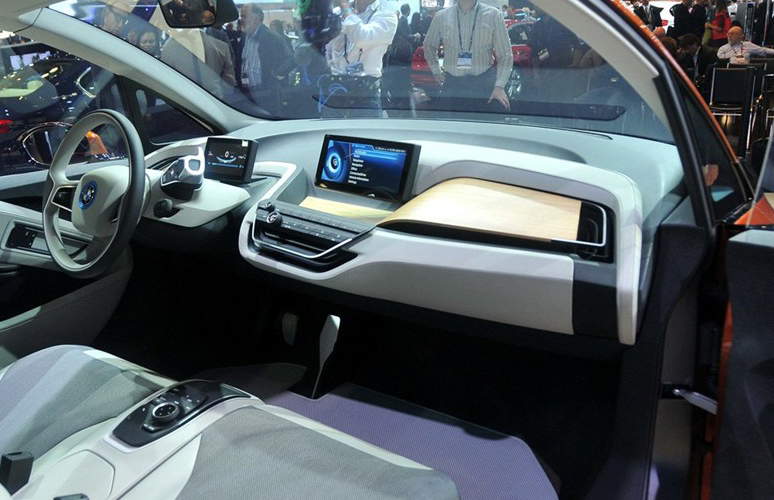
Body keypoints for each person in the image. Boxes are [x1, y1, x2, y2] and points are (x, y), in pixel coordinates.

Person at [423, 0, 512, 110]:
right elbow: (428, 46)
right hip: (453, 85)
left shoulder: (493, 15)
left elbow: (505, 54)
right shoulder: (441, 16)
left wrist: (500, 86)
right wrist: (436, 71)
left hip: (484, 84)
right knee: (448, 120)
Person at [323, 0, 397, 117]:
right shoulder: (337, 12)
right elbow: (327, 46)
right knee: (330, 129)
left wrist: (345, 8)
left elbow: (363, 38)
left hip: (365, 94)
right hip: (335, 90)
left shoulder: (387, 16)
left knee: (362, 129)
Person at [238, 4, 294, 99]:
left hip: (267, 93)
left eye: (244, 16)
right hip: (247, 92)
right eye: (241, 16)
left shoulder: (271, 37)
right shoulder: (244, 37)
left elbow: (289, 61)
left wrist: (275, 76)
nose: (241, 20)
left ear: (256, 19)